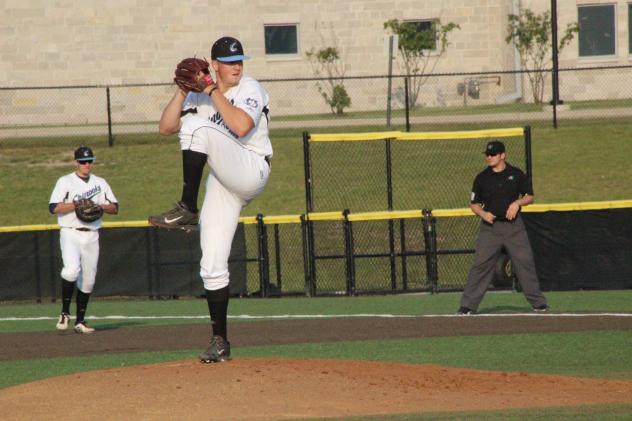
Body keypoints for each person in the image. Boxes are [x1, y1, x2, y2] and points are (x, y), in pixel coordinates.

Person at [149, 36, 272, 362]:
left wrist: (211, 92)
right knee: (211, 265)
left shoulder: (250, 89)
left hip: (250, 167)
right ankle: (220, 342)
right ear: (214, 65)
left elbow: (242, 126)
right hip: (223, 180)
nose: (237, 67)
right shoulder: (199, 95)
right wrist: (182, 90)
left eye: (240, 61)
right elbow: (165, 128)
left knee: (198, 128)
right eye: (230, 62)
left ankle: (187, 207)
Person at [457, 140, 548, 315]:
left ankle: (538, 303)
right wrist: (484, 214)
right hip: (490, 229)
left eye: (493, 154)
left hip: (514, 228)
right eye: (487, 155)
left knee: (525, 263)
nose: (489, 157)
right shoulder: (482, 178)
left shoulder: (516, 174)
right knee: (480, 265)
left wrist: (517, 202)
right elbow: (474, 204)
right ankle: (467, 305)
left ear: (503, 155)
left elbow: (530, 196)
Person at [49, 146, 119, 333]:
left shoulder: (100, 183)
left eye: (89, 161)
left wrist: (99, 206)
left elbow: (115, 207)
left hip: (92, 234)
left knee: (88, 280)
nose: (86, 165)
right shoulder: (65, 181)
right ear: (76, 163)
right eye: (82, 161)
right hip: (70, 232)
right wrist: (76, 204)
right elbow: (54, 207)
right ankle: (64, 312)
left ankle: (80, 321)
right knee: (71, 270)